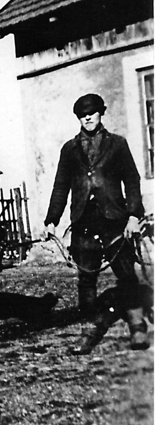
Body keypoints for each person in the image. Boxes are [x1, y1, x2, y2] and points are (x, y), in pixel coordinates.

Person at [43, 93, 149, 350]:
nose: (87, 118)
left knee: (126, 274)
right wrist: (51, 220)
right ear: (78, 118)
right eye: (82, 115)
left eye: (91, 113)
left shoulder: (117, 144)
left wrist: (134, 215)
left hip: (115, 220)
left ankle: (137, 328)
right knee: (86, 278)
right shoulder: (69, 149)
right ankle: (87, 333)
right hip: (83, 222)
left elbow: (132, 180)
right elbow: (60, 186)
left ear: (101, 113)